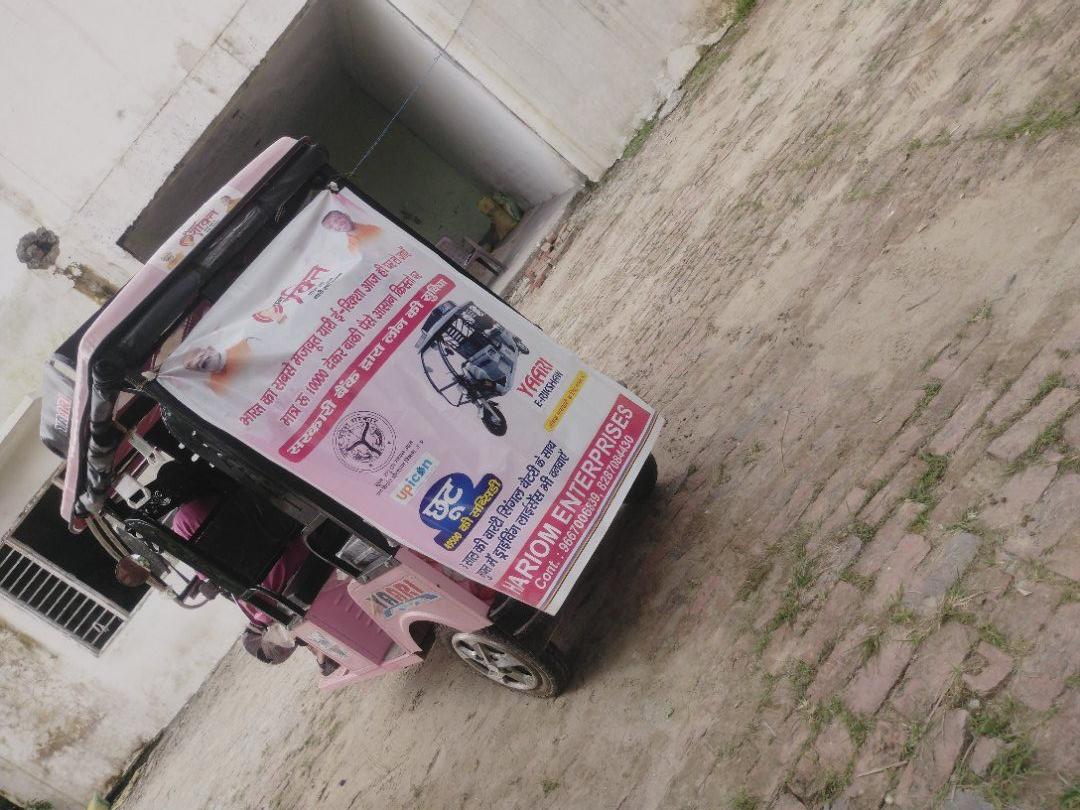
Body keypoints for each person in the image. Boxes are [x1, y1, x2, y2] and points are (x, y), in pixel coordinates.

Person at [116, 497, 337, 674]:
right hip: (305, 547)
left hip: (276, 591)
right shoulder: (225, 487)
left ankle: (320, 649)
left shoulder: (181, 524)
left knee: (254, 640)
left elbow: (206, 575)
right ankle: (319, 647)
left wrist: (206, 585)